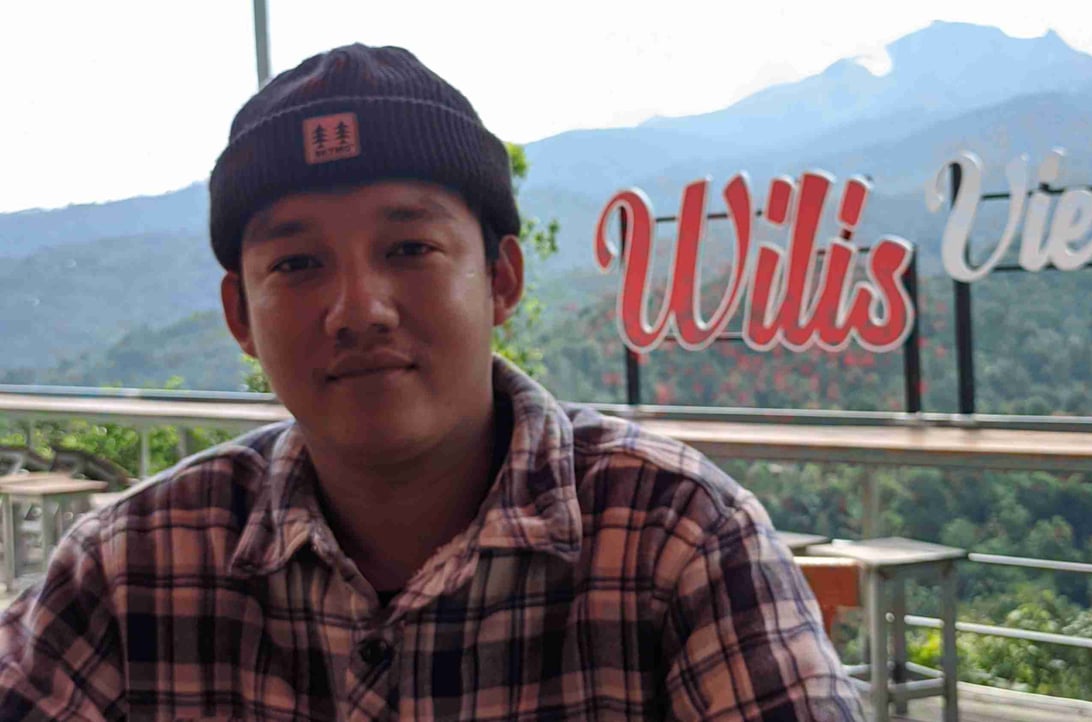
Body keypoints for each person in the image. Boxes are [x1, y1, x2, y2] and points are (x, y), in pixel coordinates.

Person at [0, 44, 865, 721]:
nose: (358, 310)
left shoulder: (674, 537)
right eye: (297, 264)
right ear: (240, 316)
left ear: (501, 280)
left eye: (409, 248)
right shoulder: (135, 566)